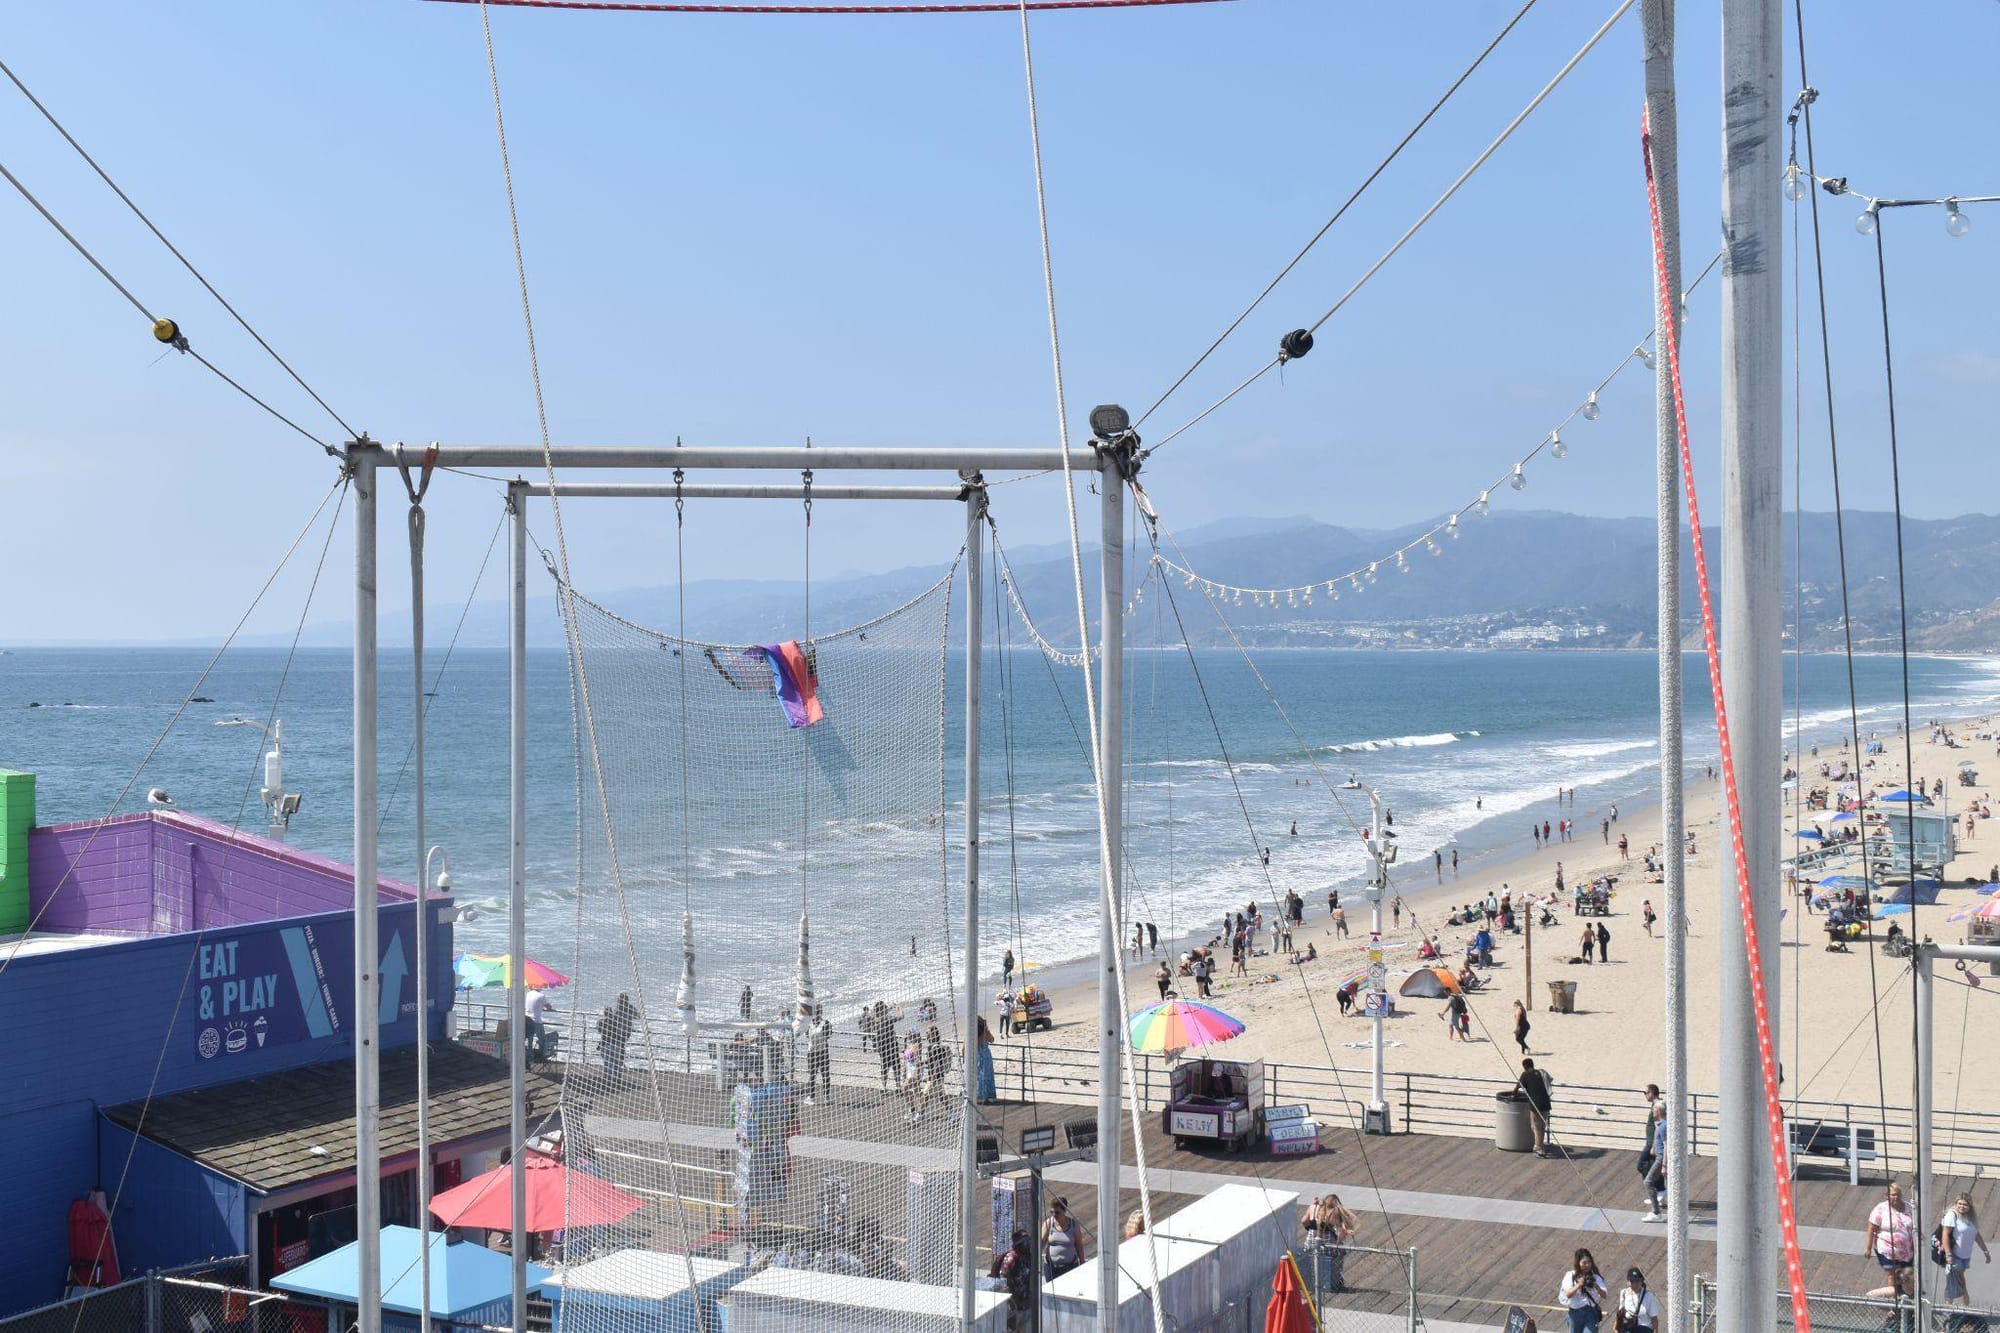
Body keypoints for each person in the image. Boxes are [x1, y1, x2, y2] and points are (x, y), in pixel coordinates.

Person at [1865, 1180, 1917, 1301]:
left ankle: (1907, 1300)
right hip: (1887, 1249)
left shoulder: (1909, 1208)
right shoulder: (1880, 1209)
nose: (1895, 1197)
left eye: (1898, 1194)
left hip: (1906, 1251)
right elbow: (1871, 1228)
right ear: (1887, 1195)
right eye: (1893, 1195)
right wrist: (1868, 1248)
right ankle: (1893, 1303)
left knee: (1907, 1275)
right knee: (1892, 1275)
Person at [1936, 1192, 1990, 1305]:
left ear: (1970, 1206)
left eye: (1965, 1204)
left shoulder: (1970, 1218)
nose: (1962, 1206)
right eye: (1959, 1203)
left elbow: (1976, 1235)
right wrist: (1948, 1254)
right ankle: (1960, 1307)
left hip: (1965, 1257)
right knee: (1959, 1283)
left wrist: (1985, 1251)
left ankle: (1951, 1307)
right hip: (1954, 1255)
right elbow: (1945, 1235)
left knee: (1954, 1282)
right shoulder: (1952, 1215)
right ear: (1955, 1204)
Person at [1558, 1247, 1609, 1331]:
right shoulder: (1570, 1275)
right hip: (1575, 1313)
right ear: (1578, 1263)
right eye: (1584, 1263)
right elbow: (1568, 1294)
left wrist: (1596, 1286)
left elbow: (1605, 1295)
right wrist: (1579, 1285)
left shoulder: (1595, 1277)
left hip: (1591, 1312)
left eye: (1589, 1262)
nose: (1587, 1265)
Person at [1519, 1058, 1555, 1157]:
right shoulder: (1541, 1072)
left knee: (1536, 1126)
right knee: (1542, 1126)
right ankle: (1541, 1147)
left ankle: (1538, 1147)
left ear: (1525, 1066)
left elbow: (1519, 1086)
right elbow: (1550, 1080)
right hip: (1546, 1103)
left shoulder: (1525, 1075)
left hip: (1536, 1104)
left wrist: (1513, 1094)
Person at [1041, 1197, 1083, 1282]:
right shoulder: (1048, 1223)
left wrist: (1082, 1263)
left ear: (1064, 1210)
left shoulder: (1073, 1224)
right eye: (1052, 1212)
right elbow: (1041, 1244)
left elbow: (1079, 1246)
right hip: (1051, 1268)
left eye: (1057, 1212)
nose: (1054, 1215)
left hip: (1069, 1267)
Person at [1616, 1267, 1663, 1332]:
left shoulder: (1648, 1296)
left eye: (1637, 1281)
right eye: (1632, 1281)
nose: (1634, 1284)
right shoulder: (1624, 1293)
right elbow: (1620, 1313)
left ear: (1642, 1281)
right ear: (1628, 1281)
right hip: (1628, 1329)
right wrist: (1616, 1327)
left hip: (1644, 1329)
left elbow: (1654, 1320)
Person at [806, 1014, 833, 1104]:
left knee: (819, 1075)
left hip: (817, 1052)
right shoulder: (823, 1023)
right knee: (819, 1075)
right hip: (818, 1051)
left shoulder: (823, 1023)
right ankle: (823, 1097)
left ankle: (819, 1097)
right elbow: (828, 1035)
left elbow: (807, 1035)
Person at [523, 987, 553, 1065]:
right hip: (536, 1020)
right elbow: (549, 1007)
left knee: (529, 1040)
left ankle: (530, 1059)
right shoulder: (541, 996)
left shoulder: (528, 994)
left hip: (527, 1019)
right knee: (543, 1039)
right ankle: (541, 1057)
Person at [975, 1015, 998, 1104]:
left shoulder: (972, 1034)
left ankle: (979, 1096)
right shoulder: (985, 1032)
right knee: (987, 1076)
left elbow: (964, 1047)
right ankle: (988, 1096)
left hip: (976, 1056)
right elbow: (992, 1039)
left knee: (978, 1077)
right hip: (985, 1056)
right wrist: (986, 1031)